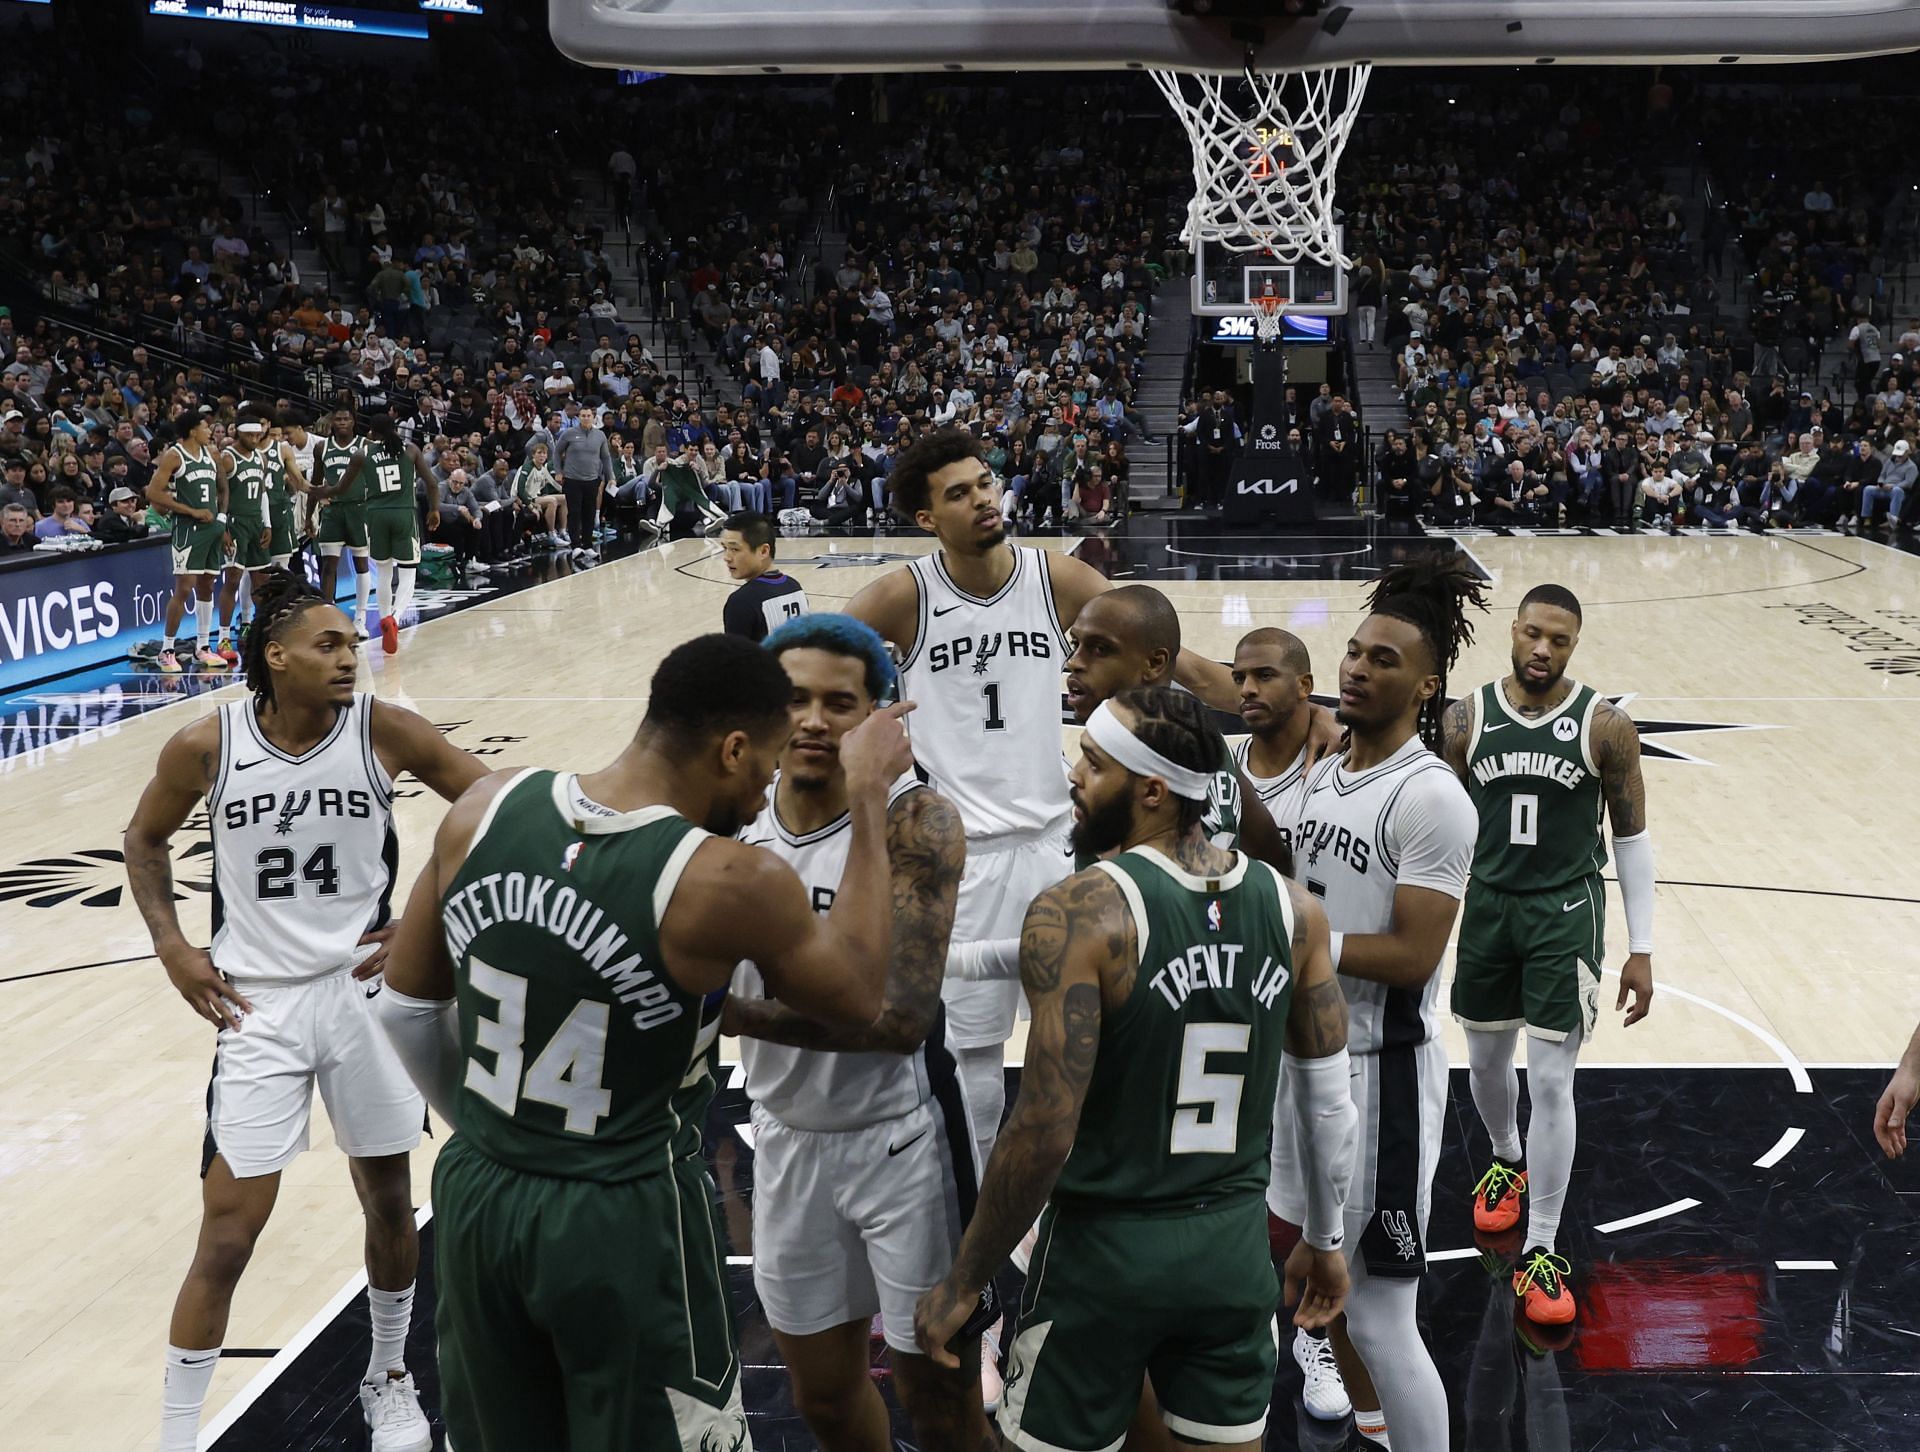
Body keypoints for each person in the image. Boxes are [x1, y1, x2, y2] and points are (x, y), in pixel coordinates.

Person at [372, 634, 916, 1449]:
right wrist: (870, 796)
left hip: (479, 1195)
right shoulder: (729, 879)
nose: (766, 792)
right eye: (763, 769)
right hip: (623, 1212)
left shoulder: (483, 807)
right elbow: (861, 996)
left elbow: (406, 1008)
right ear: (733, 749)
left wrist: (504, 1137)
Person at [914, 686, 1356, 1452]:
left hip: (1103, 1257)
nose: (1072, 777)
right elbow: (1327, 1109)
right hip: (1231, 1255)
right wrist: (1323, 1237)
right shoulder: (1295, 912)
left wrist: (965, 1280)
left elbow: (1044, 1129)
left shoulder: (1081, 910)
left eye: (1091, 762)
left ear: (1151, 788)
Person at [122, 570, 493, 1452]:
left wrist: (424, 912)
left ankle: (390, 1377)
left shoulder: (385, 730)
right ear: (274, 655)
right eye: (330, 644)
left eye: (353, 645)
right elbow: (142, 839)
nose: (349, 658)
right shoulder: (204, 744)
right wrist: (174, 947)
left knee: (390, 1201)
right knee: (227, 1235)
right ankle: (177, 1433)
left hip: (368, 998)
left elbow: (490, 803)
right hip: (259, 1006)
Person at [724, 615, 989, 1451]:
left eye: (840, 704)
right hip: (784, 1137)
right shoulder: (727, 816)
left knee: (938, 1399)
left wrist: (716, 1014)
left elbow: (896, 1023)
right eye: (794, 699)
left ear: (882, 717)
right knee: (826, 1404)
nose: (811, 720)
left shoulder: (920, 823)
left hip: (903, 1143)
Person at [1268, 554, 1485, 1452]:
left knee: (1385, 1315)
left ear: (1427, 685)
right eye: (1354, 652)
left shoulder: (1432, 796)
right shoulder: (1326, 765)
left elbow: (1414, 953)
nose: (1358, 667)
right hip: (1301, 1062)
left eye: (1384, 660)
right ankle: (1376, 1432)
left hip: (1378, 1075)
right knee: (1324, 1298)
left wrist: (1300, 944)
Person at [1443, 583, 1655, 1326]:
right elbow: (1433, 824)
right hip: (1489, 908)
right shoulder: (1466, 719)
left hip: (1566, 912)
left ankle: (1542, 1247)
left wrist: (1643, 948)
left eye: (1558, 640)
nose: (1542, 650)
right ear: (1513, 630)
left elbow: (1629, 837)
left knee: (1554, 1082)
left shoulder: (1604, 726)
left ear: (1575, 644)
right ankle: (1505, 1160)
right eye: (1533, 634)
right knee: (1487, 1064)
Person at [328, 414, 441, 654]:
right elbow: (431, 483)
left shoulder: (363, 453)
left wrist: (315, 490)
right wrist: (434, 510)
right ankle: (395, 618)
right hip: (404, 514)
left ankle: (383, 617)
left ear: (371, 432)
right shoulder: (410, 449)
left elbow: (340, 488)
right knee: (408, 573)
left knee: (384, 572)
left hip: (376, 515)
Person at [144, 405, 229, 674]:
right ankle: (166, 650)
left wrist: (222, 521)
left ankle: (203, 647)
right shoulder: (174, 455)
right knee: (184, 588)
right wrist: (191, 511)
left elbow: (223, 489)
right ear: (193, 430)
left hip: (212, 529)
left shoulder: (211, 454)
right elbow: (154, 494)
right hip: (188, 530)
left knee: (207, 586)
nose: (210, 432)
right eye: (206, 428)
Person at [1230, 628, 1319, 859]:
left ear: (1304, 685)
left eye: (1265, 675)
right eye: (1239, 678)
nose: (1247, 689)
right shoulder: (1220, 771)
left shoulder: (1335, 772)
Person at [210, 406, 278, 665]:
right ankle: (224, 637)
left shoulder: (260, 458)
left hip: (255, 523)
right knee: (232, 580)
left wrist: (267, 524)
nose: (255, 440)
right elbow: (219, 495)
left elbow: (262, 492)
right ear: (240, 434)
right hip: (235, 522)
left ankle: (259, 629)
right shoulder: (228, 458)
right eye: (251, 436)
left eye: (258, 436)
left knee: (261, 580)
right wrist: (223, 527)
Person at [310, 406, 375, 639]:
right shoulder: (322, 447)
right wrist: (309, 515)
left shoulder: (365, 446)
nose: (342, 422)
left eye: (346, 418)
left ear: (354, 422)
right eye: (338, 419)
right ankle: (329, 616)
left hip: (359, 509)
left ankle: (360, 618)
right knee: (328, 567)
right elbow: (316, 482)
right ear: (332, 423)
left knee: (361, 565)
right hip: (333, 511)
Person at [719, 510, 809, 641]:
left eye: (735, 549)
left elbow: (736, 659)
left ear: (764, 551)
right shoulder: (794, 586)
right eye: (724, 548)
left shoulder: (741, 601)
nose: (726, 557)